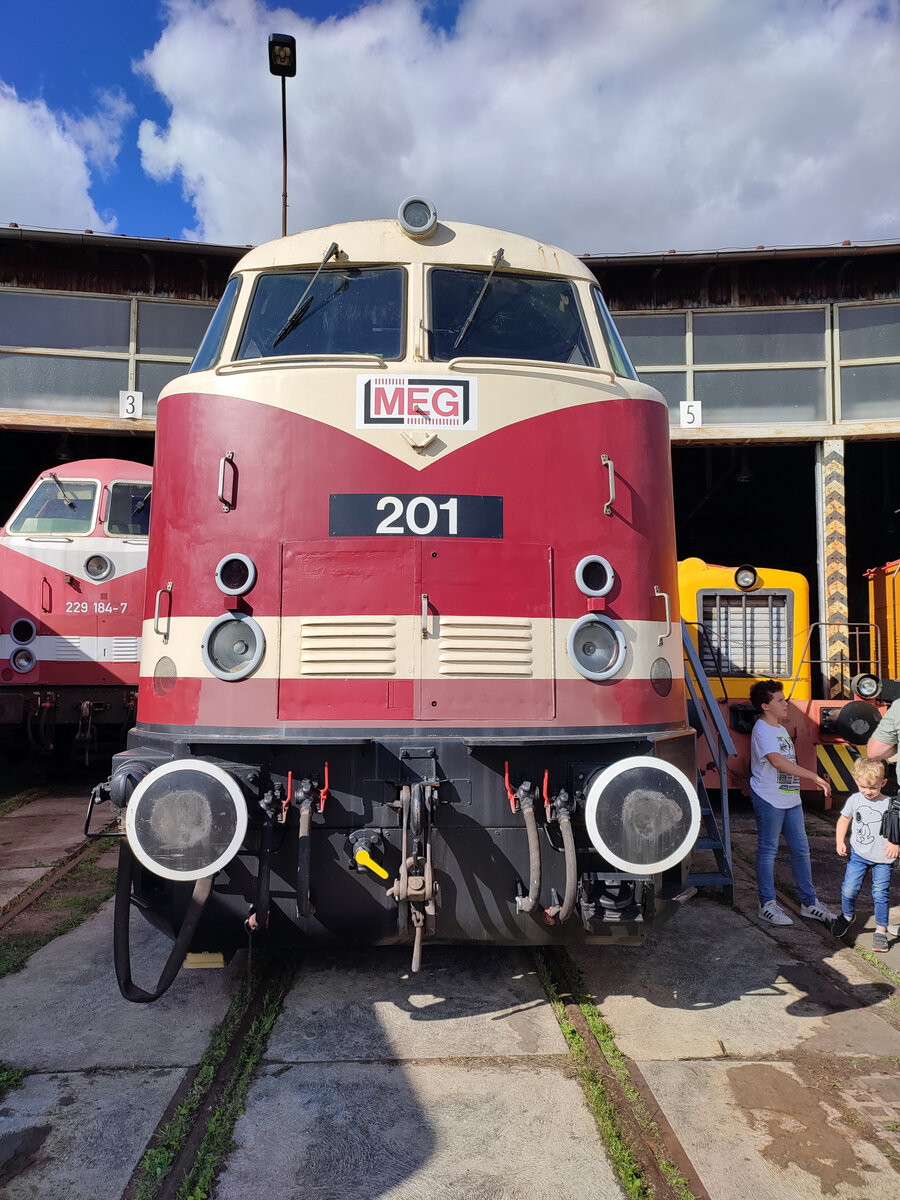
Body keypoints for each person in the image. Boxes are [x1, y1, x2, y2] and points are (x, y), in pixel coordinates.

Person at [749, 678, 836, 927]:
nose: (785, 703)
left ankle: (809, 904)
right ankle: (766, 904)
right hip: (769, 798)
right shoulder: (762, 730)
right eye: (779, 700)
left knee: (801, 851)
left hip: (789, 799)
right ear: (765, 706)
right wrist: (813, 777)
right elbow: (777, 762)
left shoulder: (780, 729)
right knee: (768, 852)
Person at [833, 757, 899, 952]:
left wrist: (896, 844)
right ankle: (846, 915)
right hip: (858, 855)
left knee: (880, 894)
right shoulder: (854, 800)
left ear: (883, 783)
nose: (868, 792)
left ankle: (880, 930)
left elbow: (898, 827)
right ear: (856, 781)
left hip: (883, 859)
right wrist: (839, 841)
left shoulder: (890, 804)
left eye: (873, 788)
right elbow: (844, 820)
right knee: (849, 889)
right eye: (863, 786)